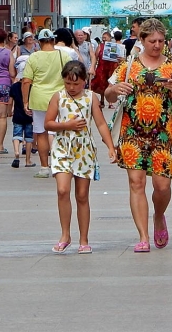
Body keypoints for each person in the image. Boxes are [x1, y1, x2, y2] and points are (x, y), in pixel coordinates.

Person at [105, 19, 172, 252]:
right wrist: (115, 89)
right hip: (132, 129)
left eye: (161, 41)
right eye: (152, 41)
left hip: (164, 132)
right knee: (136, 183)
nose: (157, 45)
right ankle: (143, 237)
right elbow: (108, 95)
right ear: (141, 40)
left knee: (162, 186)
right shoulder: (129, 65)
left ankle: (159, 215)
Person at [44, 61, 116, 254]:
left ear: (85, 81)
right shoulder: (58, 98)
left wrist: (110, 146)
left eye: (76, 84)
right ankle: (65, 235)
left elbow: (100, 123)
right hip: (62, 148)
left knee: (82, 195)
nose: (72, 88)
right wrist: (65, 126)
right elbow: (48, 123)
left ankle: (84, 239)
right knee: (62, 190)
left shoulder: (91, 98)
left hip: (84, 150)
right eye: (68, 83)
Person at [22, 29, 72, 178]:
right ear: (53, 40)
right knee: (61, 132)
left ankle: (44, 168)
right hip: (60, 99)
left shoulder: (33, 57)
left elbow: (26, 81)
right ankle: (61, 165)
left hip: (39, 99)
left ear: (39, 41)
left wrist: (25, 101)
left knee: (41, 133)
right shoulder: (64, 55)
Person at [9, 56, 35, 169]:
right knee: (28, 138)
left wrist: (9, 110)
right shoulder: (32, 87)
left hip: (17, 115)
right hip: (29, 115)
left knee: (16, 135)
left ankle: (16, 152)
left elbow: (10, 101)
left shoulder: (14, 87)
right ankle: (28, 160)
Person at [90, 31, 118, 105]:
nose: (104, 39)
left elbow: (116, 57)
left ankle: (110, 102)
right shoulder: (100, 46)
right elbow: (96, 57)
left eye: (105, 38)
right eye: (103, 38)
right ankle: (102, 100)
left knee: (110, 84)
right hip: (101, 67)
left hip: (110, 67)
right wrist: (93, 67)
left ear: (109, 38)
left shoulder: (113, 46)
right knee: (101, 84)